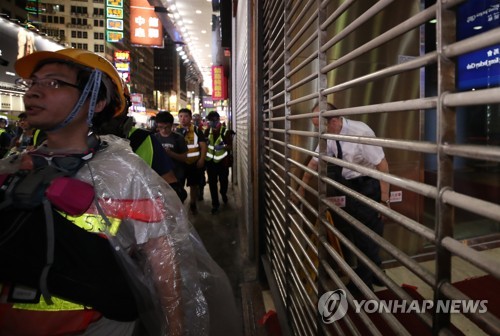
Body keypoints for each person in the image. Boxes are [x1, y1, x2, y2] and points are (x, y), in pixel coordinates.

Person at [0, 48, 240, 335]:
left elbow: (162, 263)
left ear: (98, 101)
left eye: (53, 83)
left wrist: (174, 329)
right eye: (33, 82)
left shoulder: (125, 173)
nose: (33, 93)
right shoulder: (13, 168)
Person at [297, 102, 390, 291]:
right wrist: (301, 188)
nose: (318, 131)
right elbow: (314, 162)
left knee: (365, 236)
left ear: (334, 121)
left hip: (370, 186)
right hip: (351, 187)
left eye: (319, 127)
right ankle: (377, 273)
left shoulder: (360, 133)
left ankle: (363, 285)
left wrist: (385, 200)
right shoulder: (330, 136)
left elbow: (383, 166)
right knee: (361, 233)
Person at [176, 108, 207, 214]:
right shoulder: (176, 131)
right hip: (180, 164)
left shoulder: (197, 130)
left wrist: (202, 159)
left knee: (193, 185)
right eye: (180, 116)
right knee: (179, 185)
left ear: (190, 118)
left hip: (194, 163)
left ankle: (193, 203)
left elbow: (203, 146)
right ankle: (179, 205)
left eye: (186, 116)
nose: (183, 119)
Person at [204, 111, 235, 214]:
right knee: (212, 184)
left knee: (224, 182)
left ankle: (223, 193)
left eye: (213, 120)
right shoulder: (207, 131)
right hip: (211, 163)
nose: (211, 123)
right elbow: (204, 145)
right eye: (210, 121)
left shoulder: (225, 131)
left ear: (217, 119)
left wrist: (222, 147)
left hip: (222, 163)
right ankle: (215, 204)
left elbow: (230, 146)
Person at [154, 111, 188, 191]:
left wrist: (171, 154)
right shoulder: (154, 138)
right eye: (160, 127)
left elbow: (185, 158)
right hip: (160, 176)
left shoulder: (178, 138)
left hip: (177, 176)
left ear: (172, 125)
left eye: (167, 127)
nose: (164, 130)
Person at [192, 113, 207, 200]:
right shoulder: (191, 130)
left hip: (203, 156)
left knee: (201, 176)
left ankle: (200, 191)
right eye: (194, 120)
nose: (196, 121)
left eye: (198, 120)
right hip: (193, 157)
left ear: (200, 119)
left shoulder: (205, 129)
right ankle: (196, 191)